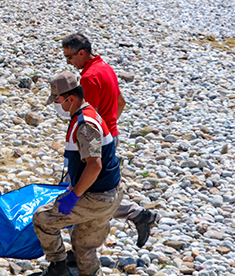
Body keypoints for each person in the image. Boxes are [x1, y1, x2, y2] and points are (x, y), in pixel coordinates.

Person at [22, 71, 123, 276]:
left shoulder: (84, 125)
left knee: (43, 219)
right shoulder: (89, 114)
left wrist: (74, 195)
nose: (56, 105)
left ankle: (58, 268)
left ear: (70, 98)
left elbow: (94, 164)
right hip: (111, 193)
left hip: (95, 196)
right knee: (83, 244)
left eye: (57, 100)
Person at [55, 33, 158, 248]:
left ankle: (80, 247)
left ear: (81, 53)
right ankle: (137, 215)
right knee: (99, 189)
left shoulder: (89, 78)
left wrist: (93, 138)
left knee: (88, 192)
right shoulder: (106, 68)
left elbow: (87, 115)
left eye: (69, 57)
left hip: (96, 142)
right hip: (111, 135)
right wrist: (109, 129)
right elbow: (121, 101)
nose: (68, 63)